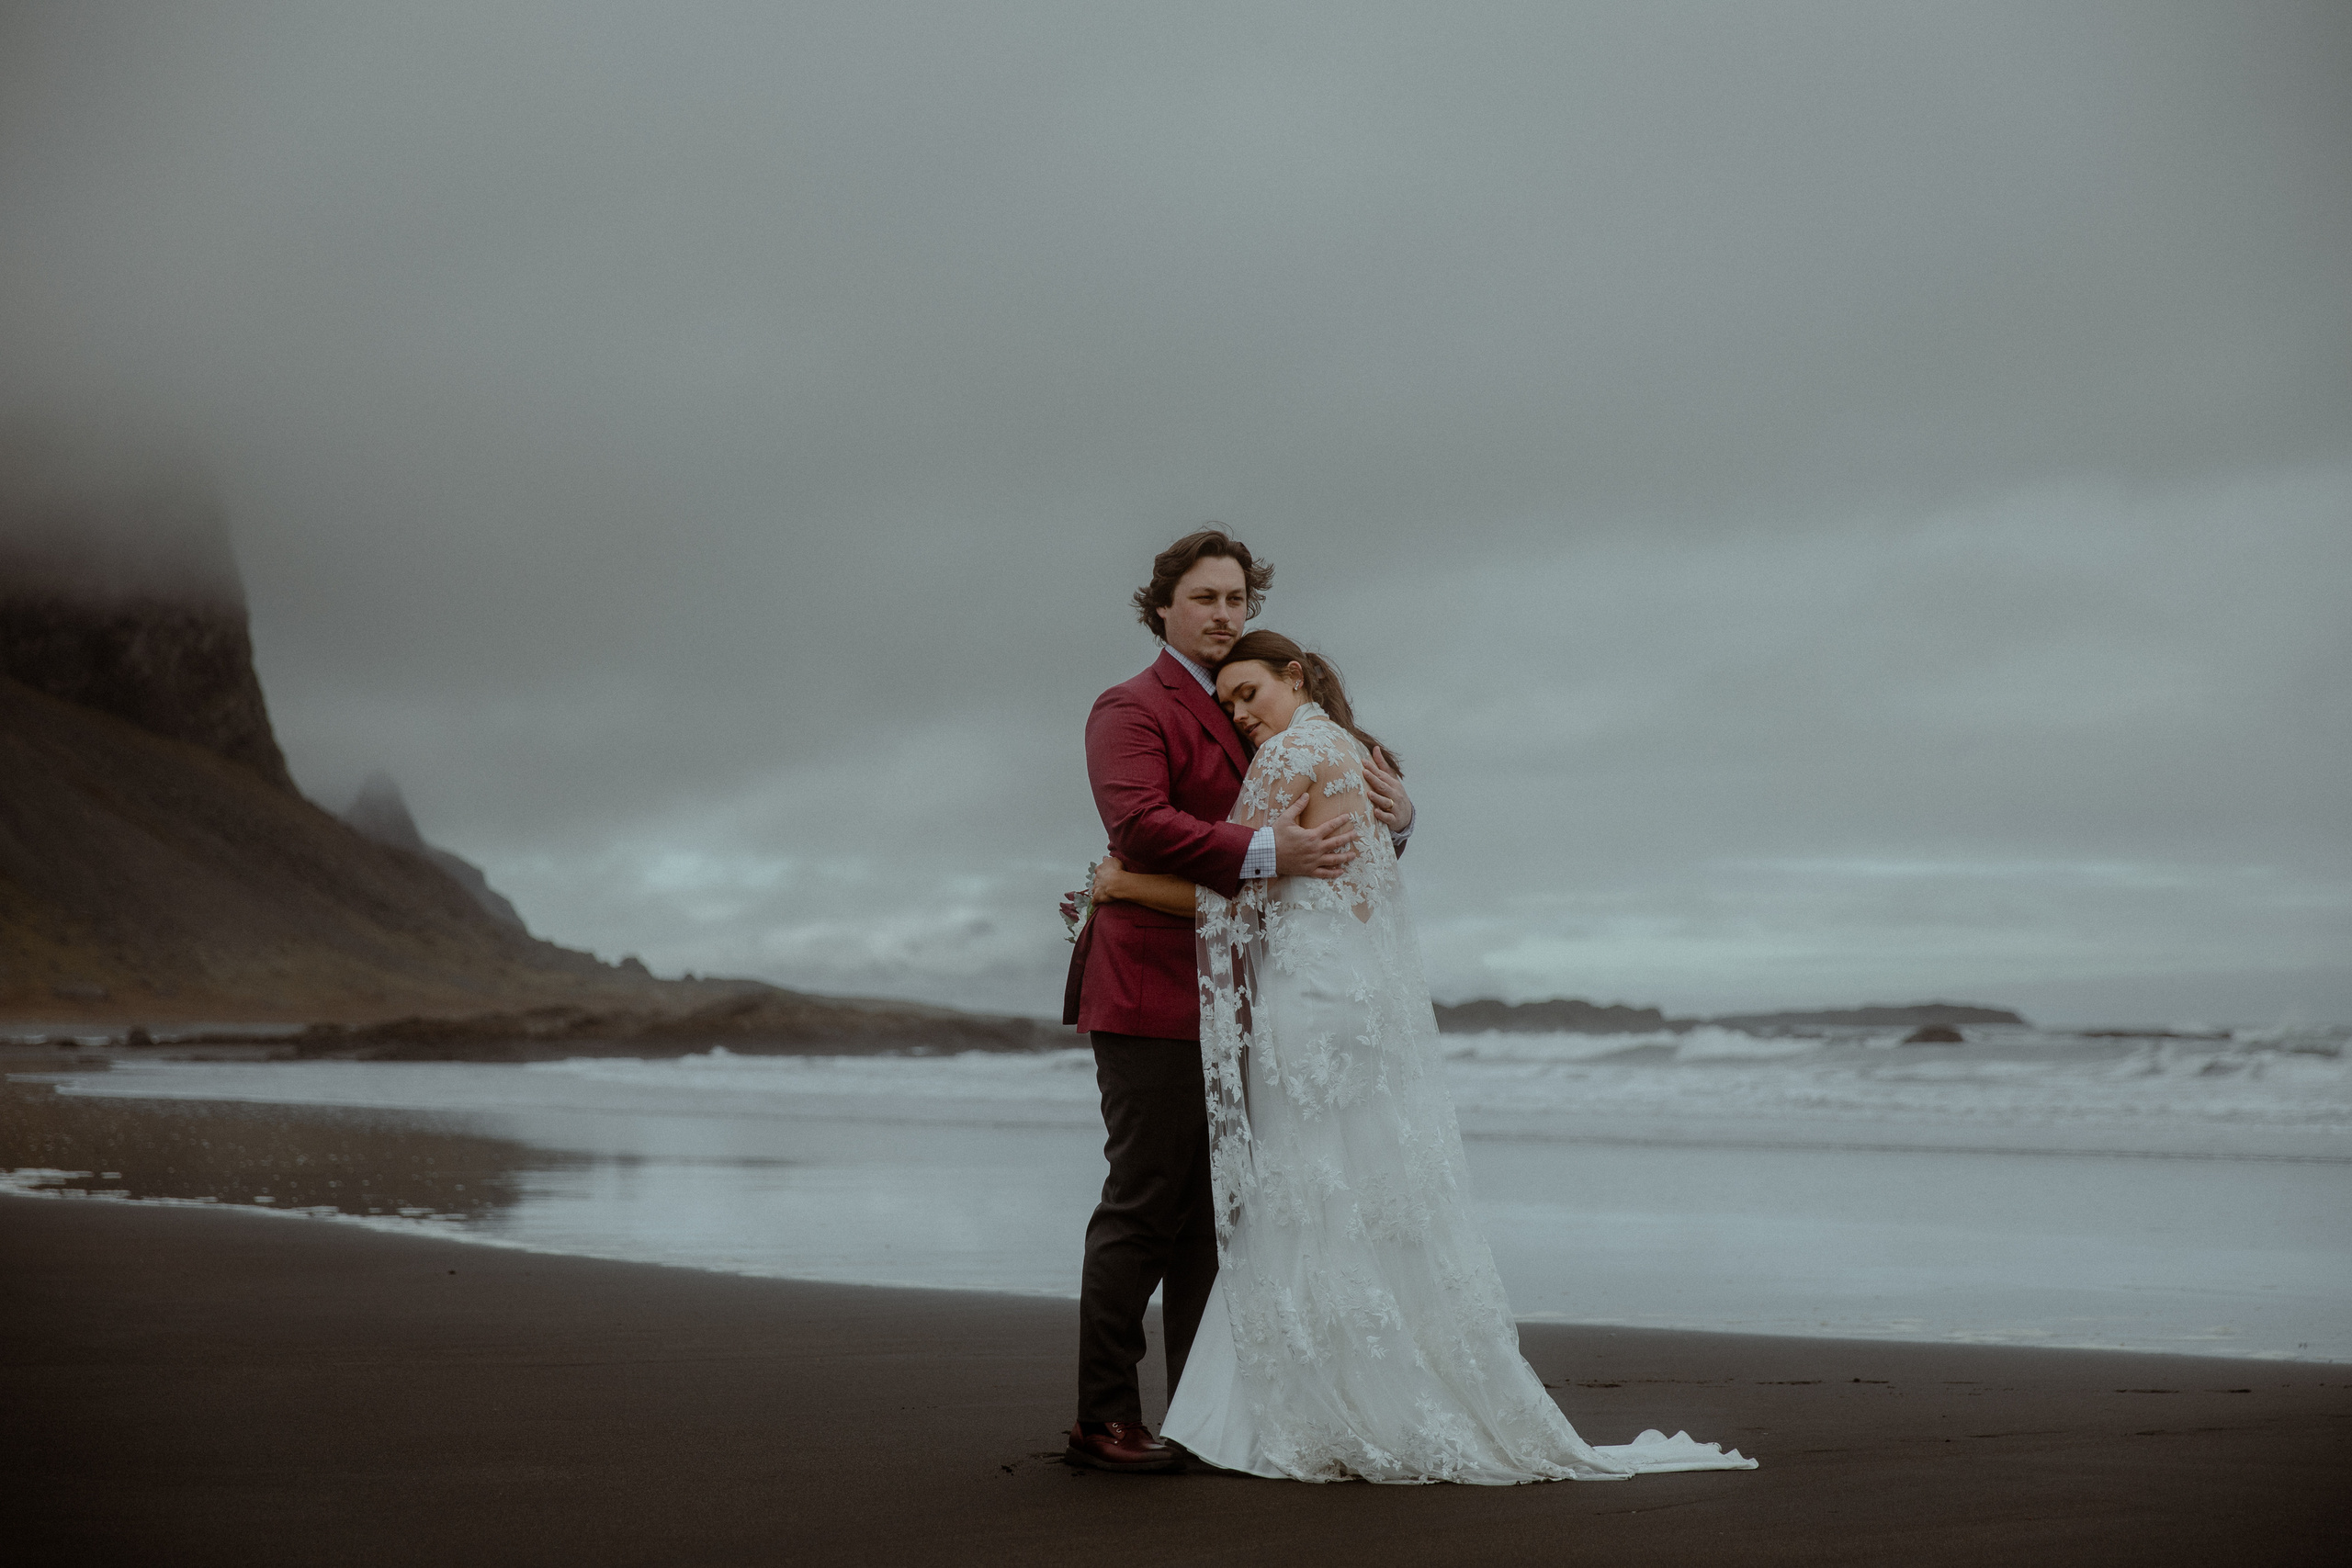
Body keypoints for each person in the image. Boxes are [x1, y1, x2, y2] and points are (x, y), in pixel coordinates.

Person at [1090, 629, 1757, 1483]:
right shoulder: (1356, 755)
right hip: (1352, 1001)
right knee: (1352, 1191)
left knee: (1301, 1194)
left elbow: (1231, 888)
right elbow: (1342, 879)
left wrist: (1122, 886)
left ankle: (1298, 1403)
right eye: (1228, 704)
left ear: (1293, 678)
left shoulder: (1293, 754)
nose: (1241, 714)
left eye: (1249, 692)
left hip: (1306, 1004)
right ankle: (1364, 1378)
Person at [1062, 529, 1418, 1473]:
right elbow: (1138, 823)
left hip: (1256, 997)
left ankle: (1197, 1417)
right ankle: (1103, 1418)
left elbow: (1340, 836)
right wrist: (1268, 854)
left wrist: (1401, 816)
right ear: (1163, 607)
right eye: (1205, 598)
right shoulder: (1129, 707)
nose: (1223, 614)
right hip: (1150, 991)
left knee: (1218, 1217)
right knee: (1146, 1201)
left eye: (1235, 599)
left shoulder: (1272, 700)